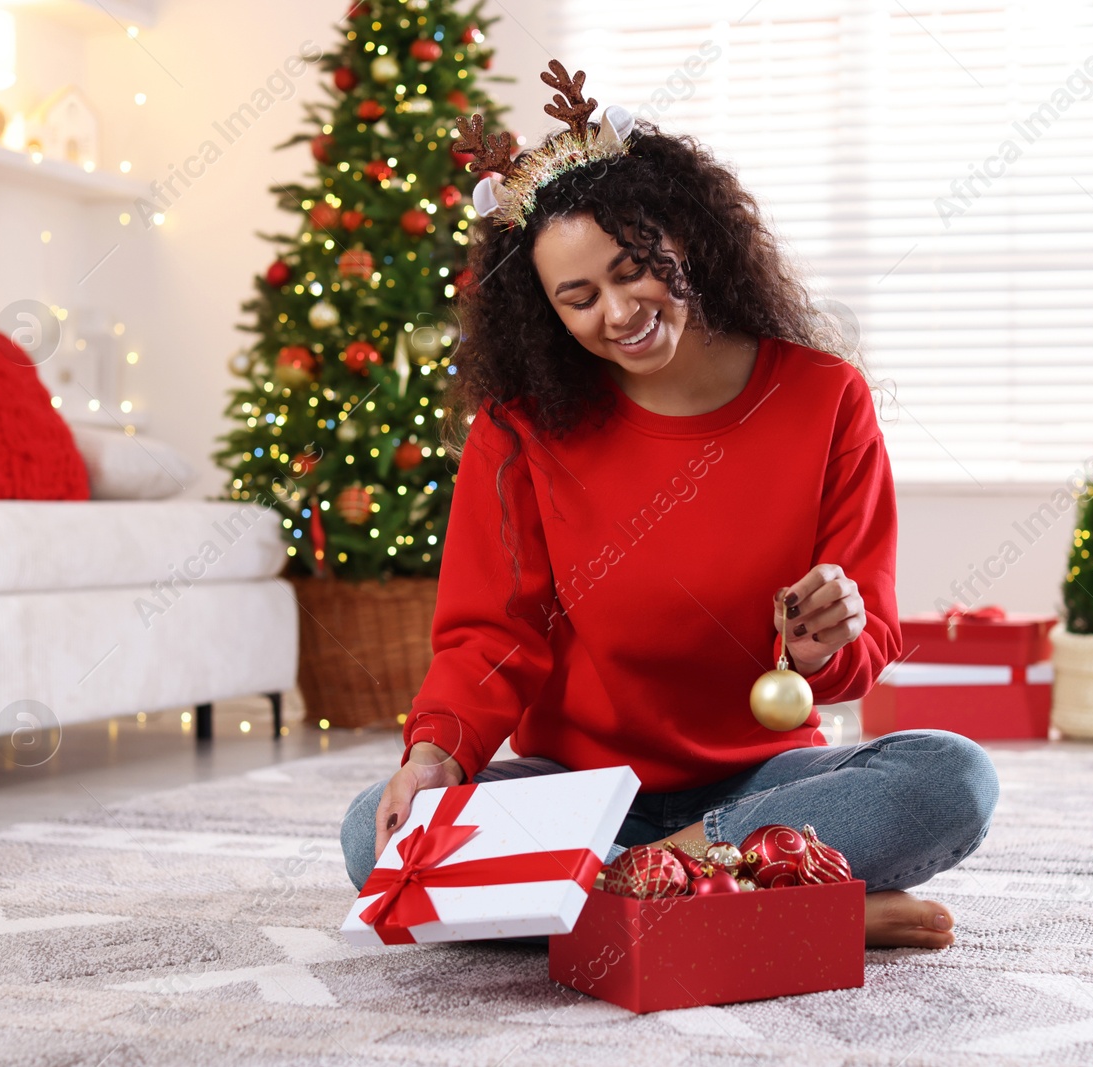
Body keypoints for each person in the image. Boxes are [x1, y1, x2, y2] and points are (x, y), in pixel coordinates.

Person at [339, 62, 998, 949]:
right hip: (578, 794)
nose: (619, 311)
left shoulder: (825, 396)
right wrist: (434, 755)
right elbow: (492, 635)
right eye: (579, 297)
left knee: (951, 776)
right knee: (367, 834)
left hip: (760, 790)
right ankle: (779, 905)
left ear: (682, 234)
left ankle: (624, 897)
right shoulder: (519, 428)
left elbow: (866, 630)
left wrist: (821, 648)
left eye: (632, 268)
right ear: (547, 312)